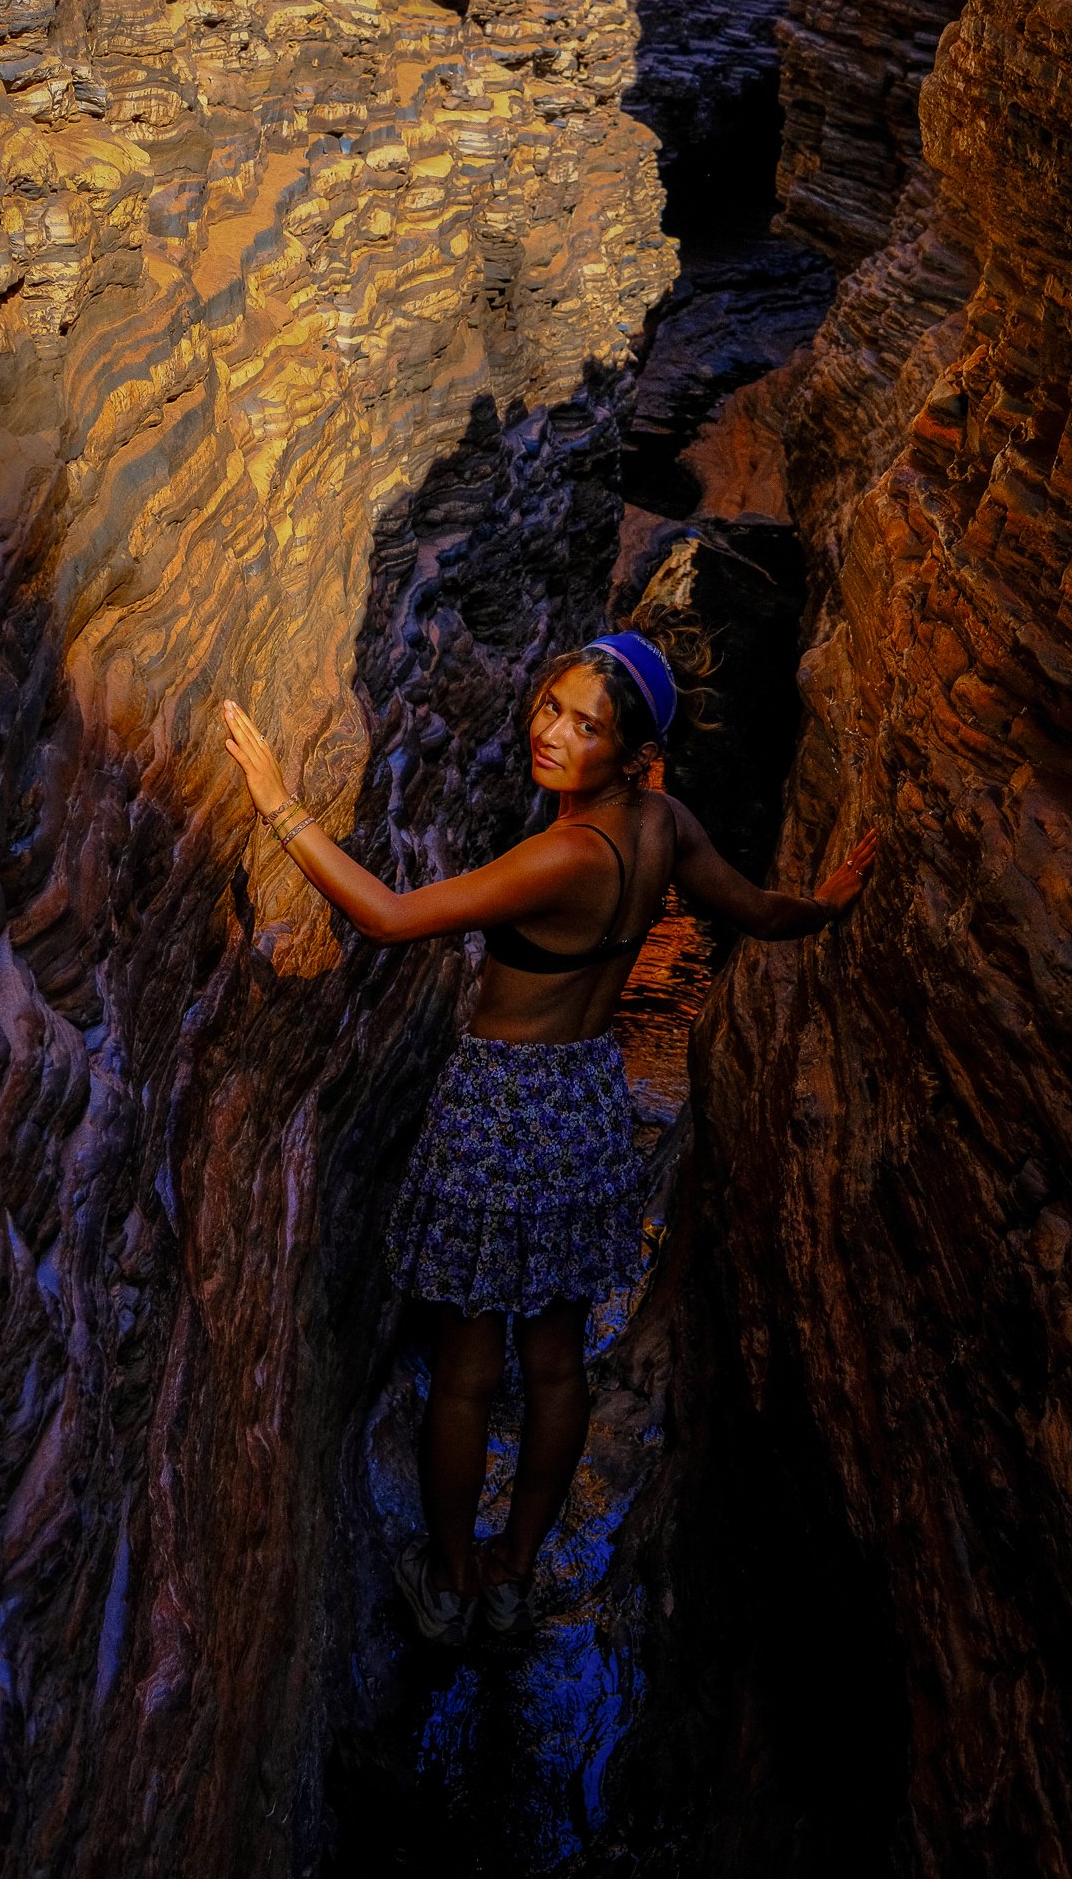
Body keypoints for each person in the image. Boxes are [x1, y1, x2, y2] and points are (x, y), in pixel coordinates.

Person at [221, 605, 877, 1647]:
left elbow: (388, 918)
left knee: (468, 1370)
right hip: (586, 1100)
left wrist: (278, 805)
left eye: (587, 726)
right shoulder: (665, 826)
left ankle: (450, 1584)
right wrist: (827, 903)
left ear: (631, 753)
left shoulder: (564, 855)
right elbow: (758, 913)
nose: (553, 734)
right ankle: (514, 1575)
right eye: (552, 706)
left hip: (500, 1110)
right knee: (558, 1360)